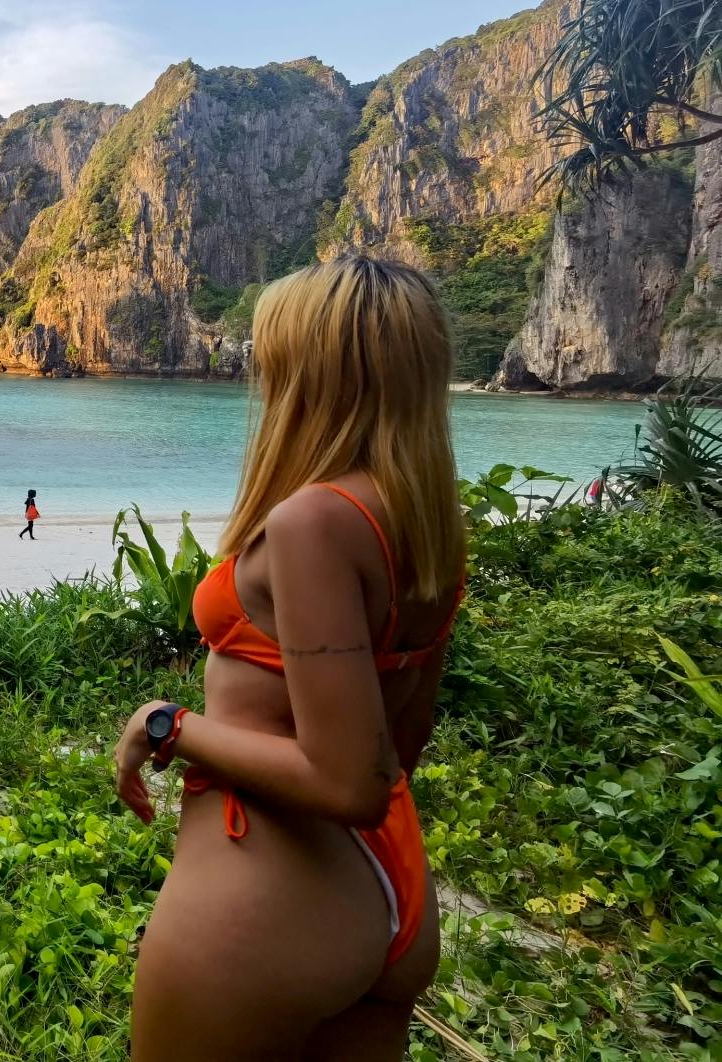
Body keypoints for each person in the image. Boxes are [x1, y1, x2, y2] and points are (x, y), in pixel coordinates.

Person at [115, 255, 466, 1060]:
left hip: (266, 904)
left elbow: (349, 783)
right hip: (387, 895)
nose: (261, 379)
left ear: (317, 373)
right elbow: (399, 745)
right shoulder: (423, 517)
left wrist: (167, 725)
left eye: (272, 360)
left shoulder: (314, 521)